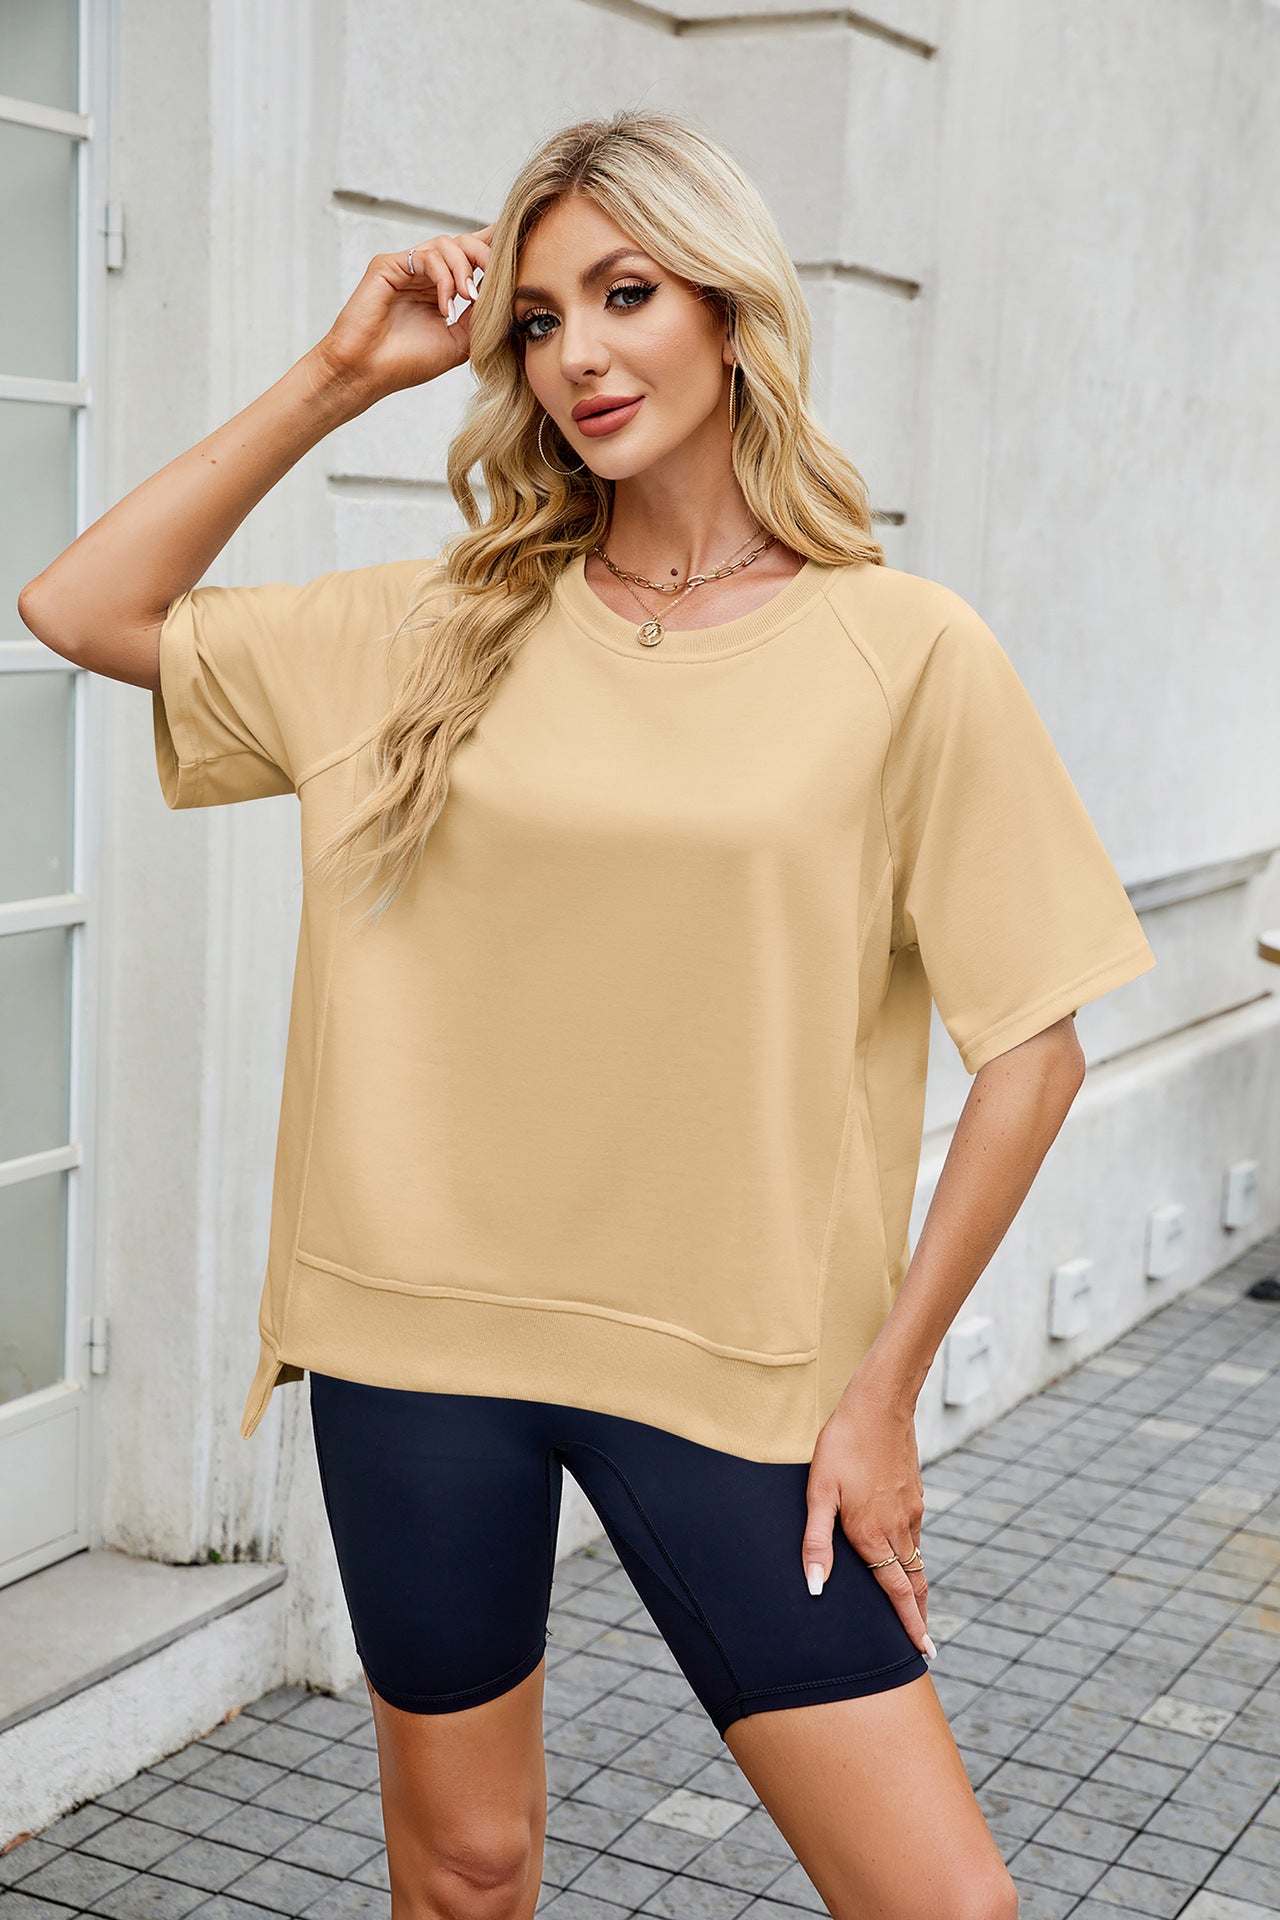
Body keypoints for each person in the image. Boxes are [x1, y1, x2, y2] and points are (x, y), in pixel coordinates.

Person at [20, 105, 1155, 1920]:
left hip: (742, 1368)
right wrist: (339, 375)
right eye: (539, 318)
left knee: (944, 1903)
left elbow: (1035, 1050)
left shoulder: (903, 650)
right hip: (415, 1347)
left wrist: (883, 1396)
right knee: (467, 1868)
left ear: (729, 310)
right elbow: (80, 604)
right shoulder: (437, 626)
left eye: (627, 295)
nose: (579, 356)